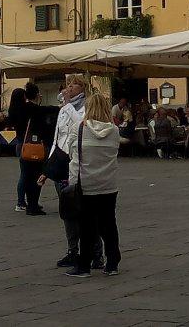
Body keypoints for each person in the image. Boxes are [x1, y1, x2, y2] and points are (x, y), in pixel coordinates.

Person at [63, 93, 123, 278]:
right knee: (108, 224)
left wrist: (72, 181)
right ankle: (112, 262)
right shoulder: (114, 130)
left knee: (86, 226)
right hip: (108, 184)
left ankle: (84, 265)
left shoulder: (80, 128)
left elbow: (74, 158)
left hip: (86, 183)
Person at [43, 74, 94, 270]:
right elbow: (57, 136)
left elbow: (81, 124)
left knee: (82, 211)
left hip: (77, 162)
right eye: (69, 85)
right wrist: (49, 165)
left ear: (82, 88)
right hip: (61, 161)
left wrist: (68, 105)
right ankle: (72, 250)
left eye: (74, 85)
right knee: (67, 211)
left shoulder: (84, 107)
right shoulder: (64, 108)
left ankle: (93, 252)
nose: (70, 88)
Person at [8, 88, 45, 216]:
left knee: (25, 174)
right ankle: (21, 202)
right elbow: (40, 112)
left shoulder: (13, 110)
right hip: (30, 144)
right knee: (28, 175)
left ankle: (25, 201)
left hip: (20, 143)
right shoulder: (26, 109)